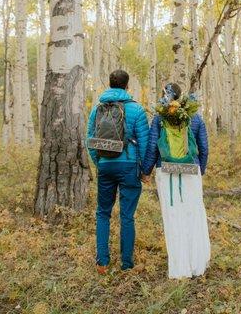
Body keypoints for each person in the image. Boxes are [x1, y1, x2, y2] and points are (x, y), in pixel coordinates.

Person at [142, 83, 211, 279]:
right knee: (193, 215)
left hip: (166, 171)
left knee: (173, 217)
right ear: (181, 97)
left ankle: (179, 268)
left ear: (165, 96)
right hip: (191, 171)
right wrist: (200, 169)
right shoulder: (195, 117)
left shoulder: (159, 117)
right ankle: (197, 265)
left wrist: (146, 171)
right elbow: (204, 148)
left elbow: (153, 147)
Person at [86, 70, 149, 274]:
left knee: (103, 213)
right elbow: (145, 143)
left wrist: (100, 161)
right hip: (129, 166)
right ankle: (127, 265)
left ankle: (102, 262)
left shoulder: (97, 109)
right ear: (127, 86)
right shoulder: (137, 110)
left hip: (106, 165)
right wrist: (145, 170)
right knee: (127, 215)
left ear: (110, 84)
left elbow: (90, 139)